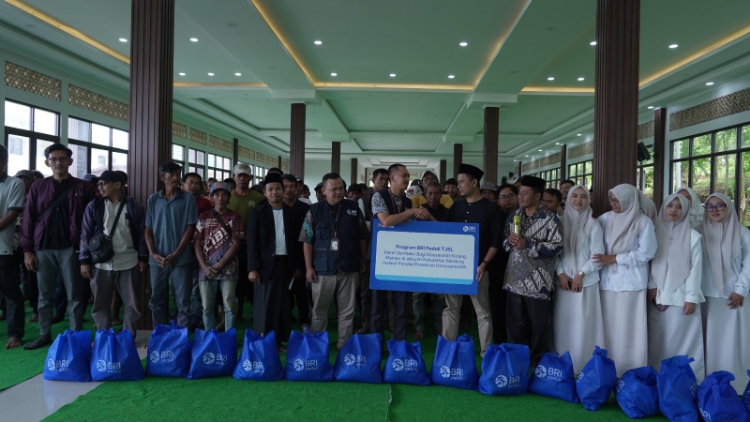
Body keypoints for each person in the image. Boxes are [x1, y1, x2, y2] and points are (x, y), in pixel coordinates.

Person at [22, 144, 96, 350]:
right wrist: (27, 250)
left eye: (62, 159)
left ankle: (76, 335)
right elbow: (28, 218)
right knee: (44, 295)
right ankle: (44, 334)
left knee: (74, 295)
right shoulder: (38, 187)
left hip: (71, 248)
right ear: (47, 162)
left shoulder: (83, 187)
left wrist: (87, 251)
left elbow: (92, 220)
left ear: (70, 161)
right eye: (53, 159)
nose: (58, 162)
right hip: (43, 247)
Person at [300, 173, 368, 349]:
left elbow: (362, 236)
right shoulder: (314, 210)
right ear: (324, 190)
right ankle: (318, 345)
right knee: (319, 311)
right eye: (333, 189)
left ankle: (344, 344)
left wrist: (363, 259)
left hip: (349, 266)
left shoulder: (353, 208)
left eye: (341, 188)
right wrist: (309, 267)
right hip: (323, 269)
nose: (338, 192)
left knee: (347, 311)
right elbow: (307, 241)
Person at [595, 184, 656, 376]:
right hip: (607, 281)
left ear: (630, 200)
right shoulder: (604, 219)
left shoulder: (643, 222)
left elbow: (646, 253)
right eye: (611, 200)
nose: (613, 204)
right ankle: (607, 369)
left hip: (631, 283)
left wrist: (614, 258)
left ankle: (629, 371)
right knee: (608, 328)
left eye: (617, 200)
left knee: (629, 329)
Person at [442, 164, 502, 357]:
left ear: (474, 182)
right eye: (458, 182)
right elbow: (445, 233)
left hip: (479, 269)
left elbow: (496, 240)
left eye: (461, 182)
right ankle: (447, 350)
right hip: (455, 268)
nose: (458, 186)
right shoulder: (456, 207)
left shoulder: (491, 208)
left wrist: (484, 264)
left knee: (483, 313)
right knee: (451, 309)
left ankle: (486, 352)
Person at [79, 171, 147, 337]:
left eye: (104, 183)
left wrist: (143, 257)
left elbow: (142, 234)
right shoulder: (94, 206)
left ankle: (128, 337)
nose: (100, 187)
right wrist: (84, 260)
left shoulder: (133, 206)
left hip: (129, 261)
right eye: (99, 184)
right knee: (100, 304)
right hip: (101, 262)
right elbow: (86, 234)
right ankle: (104, 337)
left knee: (132, 304)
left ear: (118, 185)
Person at [504, 175, 563, 366]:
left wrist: (527, 244)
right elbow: (504, 242)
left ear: (537, 196)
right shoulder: (514, 216)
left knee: (539, 329)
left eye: (524, 193)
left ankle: (539, 366)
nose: (520, 196)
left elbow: (556, 248)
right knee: (516, 326)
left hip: (538, 283)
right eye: (519, 193)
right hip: (514, 280)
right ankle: (518, 363)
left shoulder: (550, 219)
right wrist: (509, 241)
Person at [647, 194, 705, 381]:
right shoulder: (654, 232)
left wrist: (691, 298)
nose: (674, 210)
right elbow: (649, 262)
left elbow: (696, 270)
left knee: (682, 341)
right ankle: (658, 379)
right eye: (670, 205)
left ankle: (685, 380)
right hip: (657, 296)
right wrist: (651, 286)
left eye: (679, 207)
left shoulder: (693, 237)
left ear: (686, 211)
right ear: (663, 208)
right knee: (658, 341)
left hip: (681, 298)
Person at [371, 164, 432, 343]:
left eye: (407, 176)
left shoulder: (407, 201)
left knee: (401, 306)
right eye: (404, 175)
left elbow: (406, 225)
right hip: (381, 258)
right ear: (392, 178)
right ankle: (376, 345)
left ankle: (399, 344)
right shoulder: (379, 196)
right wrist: (410, 212)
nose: (407, 179)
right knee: (378, 306)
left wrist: (417, 214)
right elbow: (386, 221)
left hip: (401, 259)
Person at [699, 193, 750, 389]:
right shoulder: (698, 232)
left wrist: (741, 290)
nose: (714, 210)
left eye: (719, 205)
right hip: (706, 295)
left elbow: (749, 264)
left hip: (733, 296)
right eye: (709, 206)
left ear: (728, 207)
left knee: (731, 342)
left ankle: (734, 384)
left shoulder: (742, 232)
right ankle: (708, 384)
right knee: (708, 340)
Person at [248, 174, 302, 351]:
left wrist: (296, 266)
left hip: (285, 264)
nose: (274, 192)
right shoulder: (257, 212)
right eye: (270, 189)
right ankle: (263, 341)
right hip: (264, 266)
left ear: (283, 190)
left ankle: (278, 340)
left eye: (278, 188)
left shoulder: (292, 213)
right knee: (264, 305)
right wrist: (252, 268)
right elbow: (252, 242)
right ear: (264, 192)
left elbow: (296, 242)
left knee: (282, 305)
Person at [554, 185, 604, 372]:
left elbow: (597, 256)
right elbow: (555, 253)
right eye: (574, 196)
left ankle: (581, 364)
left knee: (583, 324)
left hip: (586, 282)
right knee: (563, 324)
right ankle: (561, 364)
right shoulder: (558, 222)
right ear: (567, 198)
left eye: (583, 197)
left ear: (588, 200)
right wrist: (560, 273)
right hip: (563, 283)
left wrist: (581, 274)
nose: (578, 200)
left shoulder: (593, 224)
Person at [145, 161, 198, 328]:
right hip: (157, 259)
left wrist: (177, 253)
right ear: (162, 178)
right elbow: (148, 229)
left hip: (181, 258)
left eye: (178, 174)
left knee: (182, 300)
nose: (176, 178)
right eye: (172, 174)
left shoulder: (188, 198)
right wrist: (152, 253)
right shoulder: (153, 199)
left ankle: (181, 337)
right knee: (156, 300)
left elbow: (190, 227)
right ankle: (160, 334)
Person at [193, 181, 242, 332]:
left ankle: (229, 337)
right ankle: (210, 337)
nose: (220, 198)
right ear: (212, 197)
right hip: (206, 269)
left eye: (224, 195)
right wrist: (204, 266)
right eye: (217, 195)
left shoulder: (235, 216)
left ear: (228, 198)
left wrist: (220, 264)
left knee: (229, 306)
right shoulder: (203, 216)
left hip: (229, 269)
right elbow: (197, 242)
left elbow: (236, 243)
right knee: (207, 307)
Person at [411, 181, 449, 340]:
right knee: (417, 296)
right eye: (430, 193)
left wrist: (430, 217)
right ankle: (419, 327)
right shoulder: (417, 211)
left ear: (441, 195)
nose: (433, 196)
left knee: (440, 296)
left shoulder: (447, 212)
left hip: (440, 259)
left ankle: (439, 327)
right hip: (420, 259)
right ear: (424, 195)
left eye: (437, 193)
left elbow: (447, 232)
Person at [228, 163, 265, 321]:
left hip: (252, 246)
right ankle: (237, 311)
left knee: (252, 281)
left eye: (245, 176)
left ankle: (257, 312)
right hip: (231, 247)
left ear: (250, 178)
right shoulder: (227, 197)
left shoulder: (259, 198)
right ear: (234, 177)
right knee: (235, 281)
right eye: (239, 175)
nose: (242, 178)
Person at [356, 168, 389, 334]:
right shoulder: (363, 200)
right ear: (373, 180)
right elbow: (362, 226)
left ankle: (388, 322)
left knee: (388, 292)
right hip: (368, 250)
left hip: (388, 252)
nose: (383, 182)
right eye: (380, 179)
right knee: (366, 292)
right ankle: (366, 323)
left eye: (386, 179)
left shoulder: (391, 198)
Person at [0, 146, 26, 349]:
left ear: (4, 162)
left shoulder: (15, 183)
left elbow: (11, 215)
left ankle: (15, 333)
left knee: (10, 291)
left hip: (4, 248)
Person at [182, 172, 212, 329]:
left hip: (198, 248)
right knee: (181, 285)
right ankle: (181, 315)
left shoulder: (204, 203)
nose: (193, 186)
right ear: (183, 184)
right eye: (190, 182)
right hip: (179, 248)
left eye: (197, 183)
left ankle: (195, 317)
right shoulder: (178, 201)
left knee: (196, 285)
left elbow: (208, 225)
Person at [283, 174, 310, 329]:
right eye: (285, 186)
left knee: (301, 292)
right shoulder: (275, 207)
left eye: (291, 186)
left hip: (301, 255)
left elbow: (307, 237)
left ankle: (304, 320)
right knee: (284, 293)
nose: (288, 190)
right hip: (281, 258)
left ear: (297, 188)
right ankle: (285, 320)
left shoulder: (305, 208)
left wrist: (300, 264)